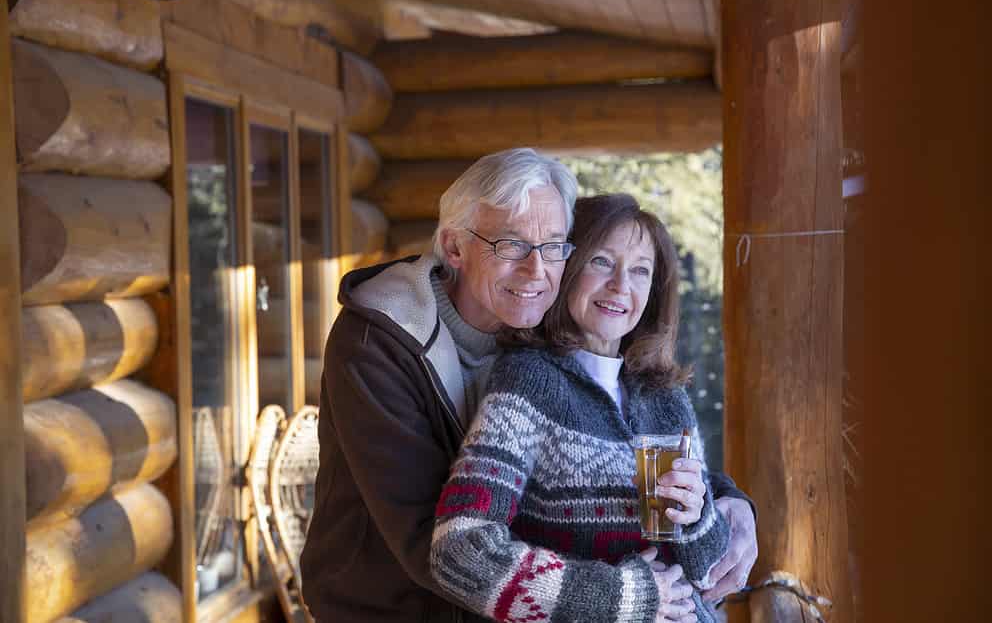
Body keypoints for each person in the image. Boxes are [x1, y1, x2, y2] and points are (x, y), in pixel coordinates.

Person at [302, 150, 756, 622]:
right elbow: (437, 544)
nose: (537, 272)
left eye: (555, 246)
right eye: (511, 246)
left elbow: (620, 457)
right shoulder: (378, 342)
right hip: (387, 607)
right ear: (454, 248)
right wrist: (617, 598)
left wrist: (726, 500)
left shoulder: (537, 335)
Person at [430, 194, 740, 623]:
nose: (620, 286)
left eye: (639, 271)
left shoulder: (666, 398)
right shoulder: (531, 382)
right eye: (601, 262)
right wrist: (616, 596)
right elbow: (460, 550)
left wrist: (698, 516)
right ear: (568, 269)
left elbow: (710, 577)